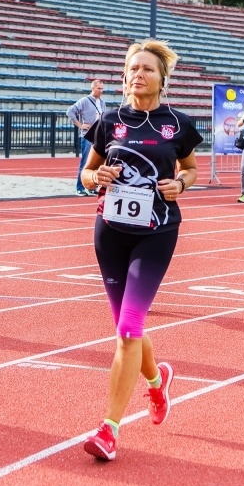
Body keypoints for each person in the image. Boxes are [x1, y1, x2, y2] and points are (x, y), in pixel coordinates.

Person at [79, 39, 201, 461]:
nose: (138, 75)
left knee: (130, 327)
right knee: (126, 330)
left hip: (156, 233)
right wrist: (97, 178)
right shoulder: (109, 121)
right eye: (132, 68)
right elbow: (87, 171)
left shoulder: (178, 124)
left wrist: (181, 184)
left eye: (147, 69)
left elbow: (190, 168)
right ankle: (157, 381)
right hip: (110, 233)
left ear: (161, 79)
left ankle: (109, 429)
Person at [67, 79, 106, 196]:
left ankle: (91, 186)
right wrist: (80, 125)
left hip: (98, 136)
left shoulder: (102, 102)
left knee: (97, 163)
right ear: (93, 88)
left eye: (102, 88)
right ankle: (80, 187)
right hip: (87, 136)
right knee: (85, 162)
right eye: (99, 88)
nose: (101, 91)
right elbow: (70, 111)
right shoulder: (85, 101)